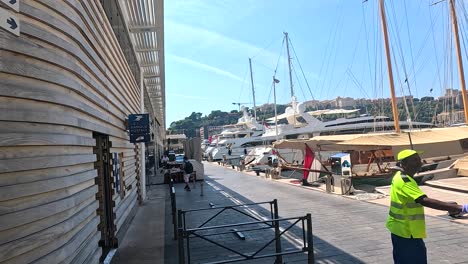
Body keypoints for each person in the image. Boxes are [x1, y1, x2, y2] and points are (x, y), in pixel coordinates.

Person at [386, 149, 468, 264]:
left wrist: (449, 205)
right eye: (414, 160)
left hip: (400, 229)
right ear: (403, 164)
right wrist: (461, 208)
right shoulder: (405, 181)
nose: (420, 163)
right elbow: (424, 200)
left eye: (419, 159)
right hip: (406, 231)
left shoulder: (401, 176)